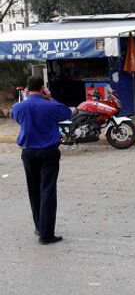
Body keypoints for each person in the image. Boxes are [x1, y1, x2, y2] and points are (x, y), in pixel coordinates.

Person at [12, 76, 72, 244]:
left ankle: (39, 226)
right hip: (48, 152)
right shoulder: (49, 105)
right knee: (48, 190)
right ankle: (46, 234)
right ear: (42, 88)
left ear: (27, 89)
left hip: (28, 153)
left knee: (34, 190)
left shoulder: (18, 107)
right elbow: (67, 113)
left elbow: (15, 117)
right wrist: (50, 97)